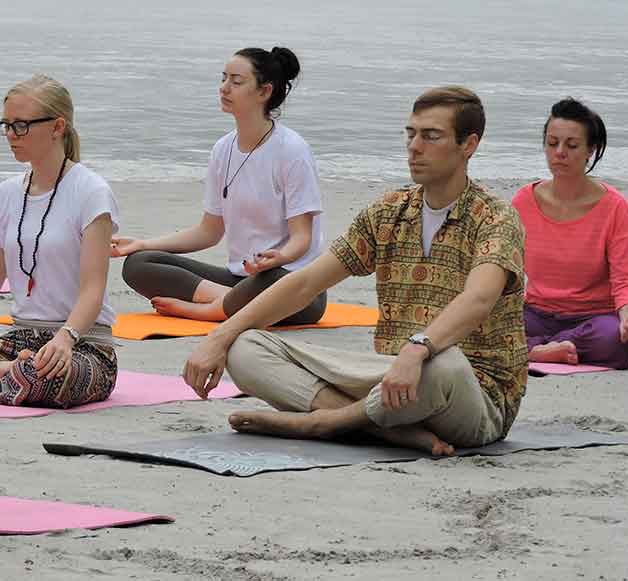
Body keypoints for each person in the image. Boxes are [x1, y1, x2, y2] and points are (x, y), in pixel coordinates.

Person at [183, 86, 527, 455]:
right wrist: (220, 337)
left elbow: (478, 298)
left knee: (444, 364)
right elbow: (306, 283)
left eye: (431, 136)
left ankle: (327, 421)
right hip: (388, 379)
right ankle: (379, 428)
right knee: (244, 347)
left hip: (467, 392)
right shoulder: (389, 212)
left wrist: (418, 350)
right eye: (411, 134)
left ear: (468, 145)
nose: (414, 146)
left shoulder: (495, 218)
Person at [113, 47, 325, 324]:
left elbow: (302, 239)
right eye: (223, 79)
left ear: (264, 92)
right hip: (241, 281)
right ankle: (226, 300)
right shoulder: (222, 149)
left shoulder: (292, 150)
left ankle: (206, 309)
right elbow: (209, 232)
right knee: (140, 263)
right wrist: (143, 243)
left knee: (271, 282)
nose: (224, 88)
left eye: (236, 82)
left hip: (292, 284)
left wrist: (278, 258)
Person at [0, 74, 120, 408]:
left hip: (81, 346)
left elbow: (92, 291)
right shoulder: (7, 193)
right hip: (20, 342)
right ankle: (6, 375)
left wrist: (65, 339)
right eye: (6, 125)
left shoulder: (91, 192)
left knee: (42, 375)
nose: (11, 136)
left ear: (57, 127)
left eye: (21, 126)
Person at [513, 98, 628, 368]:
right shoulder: (523, 201)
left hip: (592, 318)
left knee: (620, 343)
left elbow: (626, 277)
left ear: (590, 150)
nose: (560, 152)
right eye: (552, 143)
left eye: (571, 145)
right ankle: (544, 349)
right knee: (476, 327)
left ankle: (535, 347)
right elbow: (503, 270)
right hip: (535, 313)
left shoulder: (613, 206)